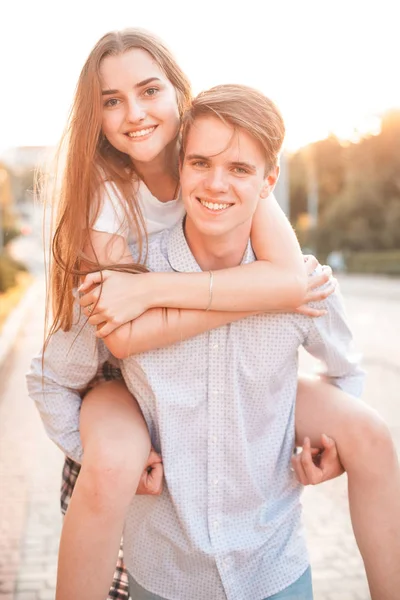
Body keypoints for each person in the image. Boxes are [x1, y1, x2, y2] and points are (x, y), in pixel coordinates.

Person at [26, 30, 400, 600]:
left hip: (195, 361)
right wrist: (238, 299)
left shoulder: (225, 157)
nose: (134, 114)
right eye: (111, 100)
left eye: (149, 90)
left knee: (370, 433)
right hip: (120, 376)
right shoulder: (105, 200)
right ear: (95, 117)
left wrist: (159, 291)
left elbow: (284, 282)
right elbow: (124, 342)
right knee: (115, 474)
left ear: (180, 94)